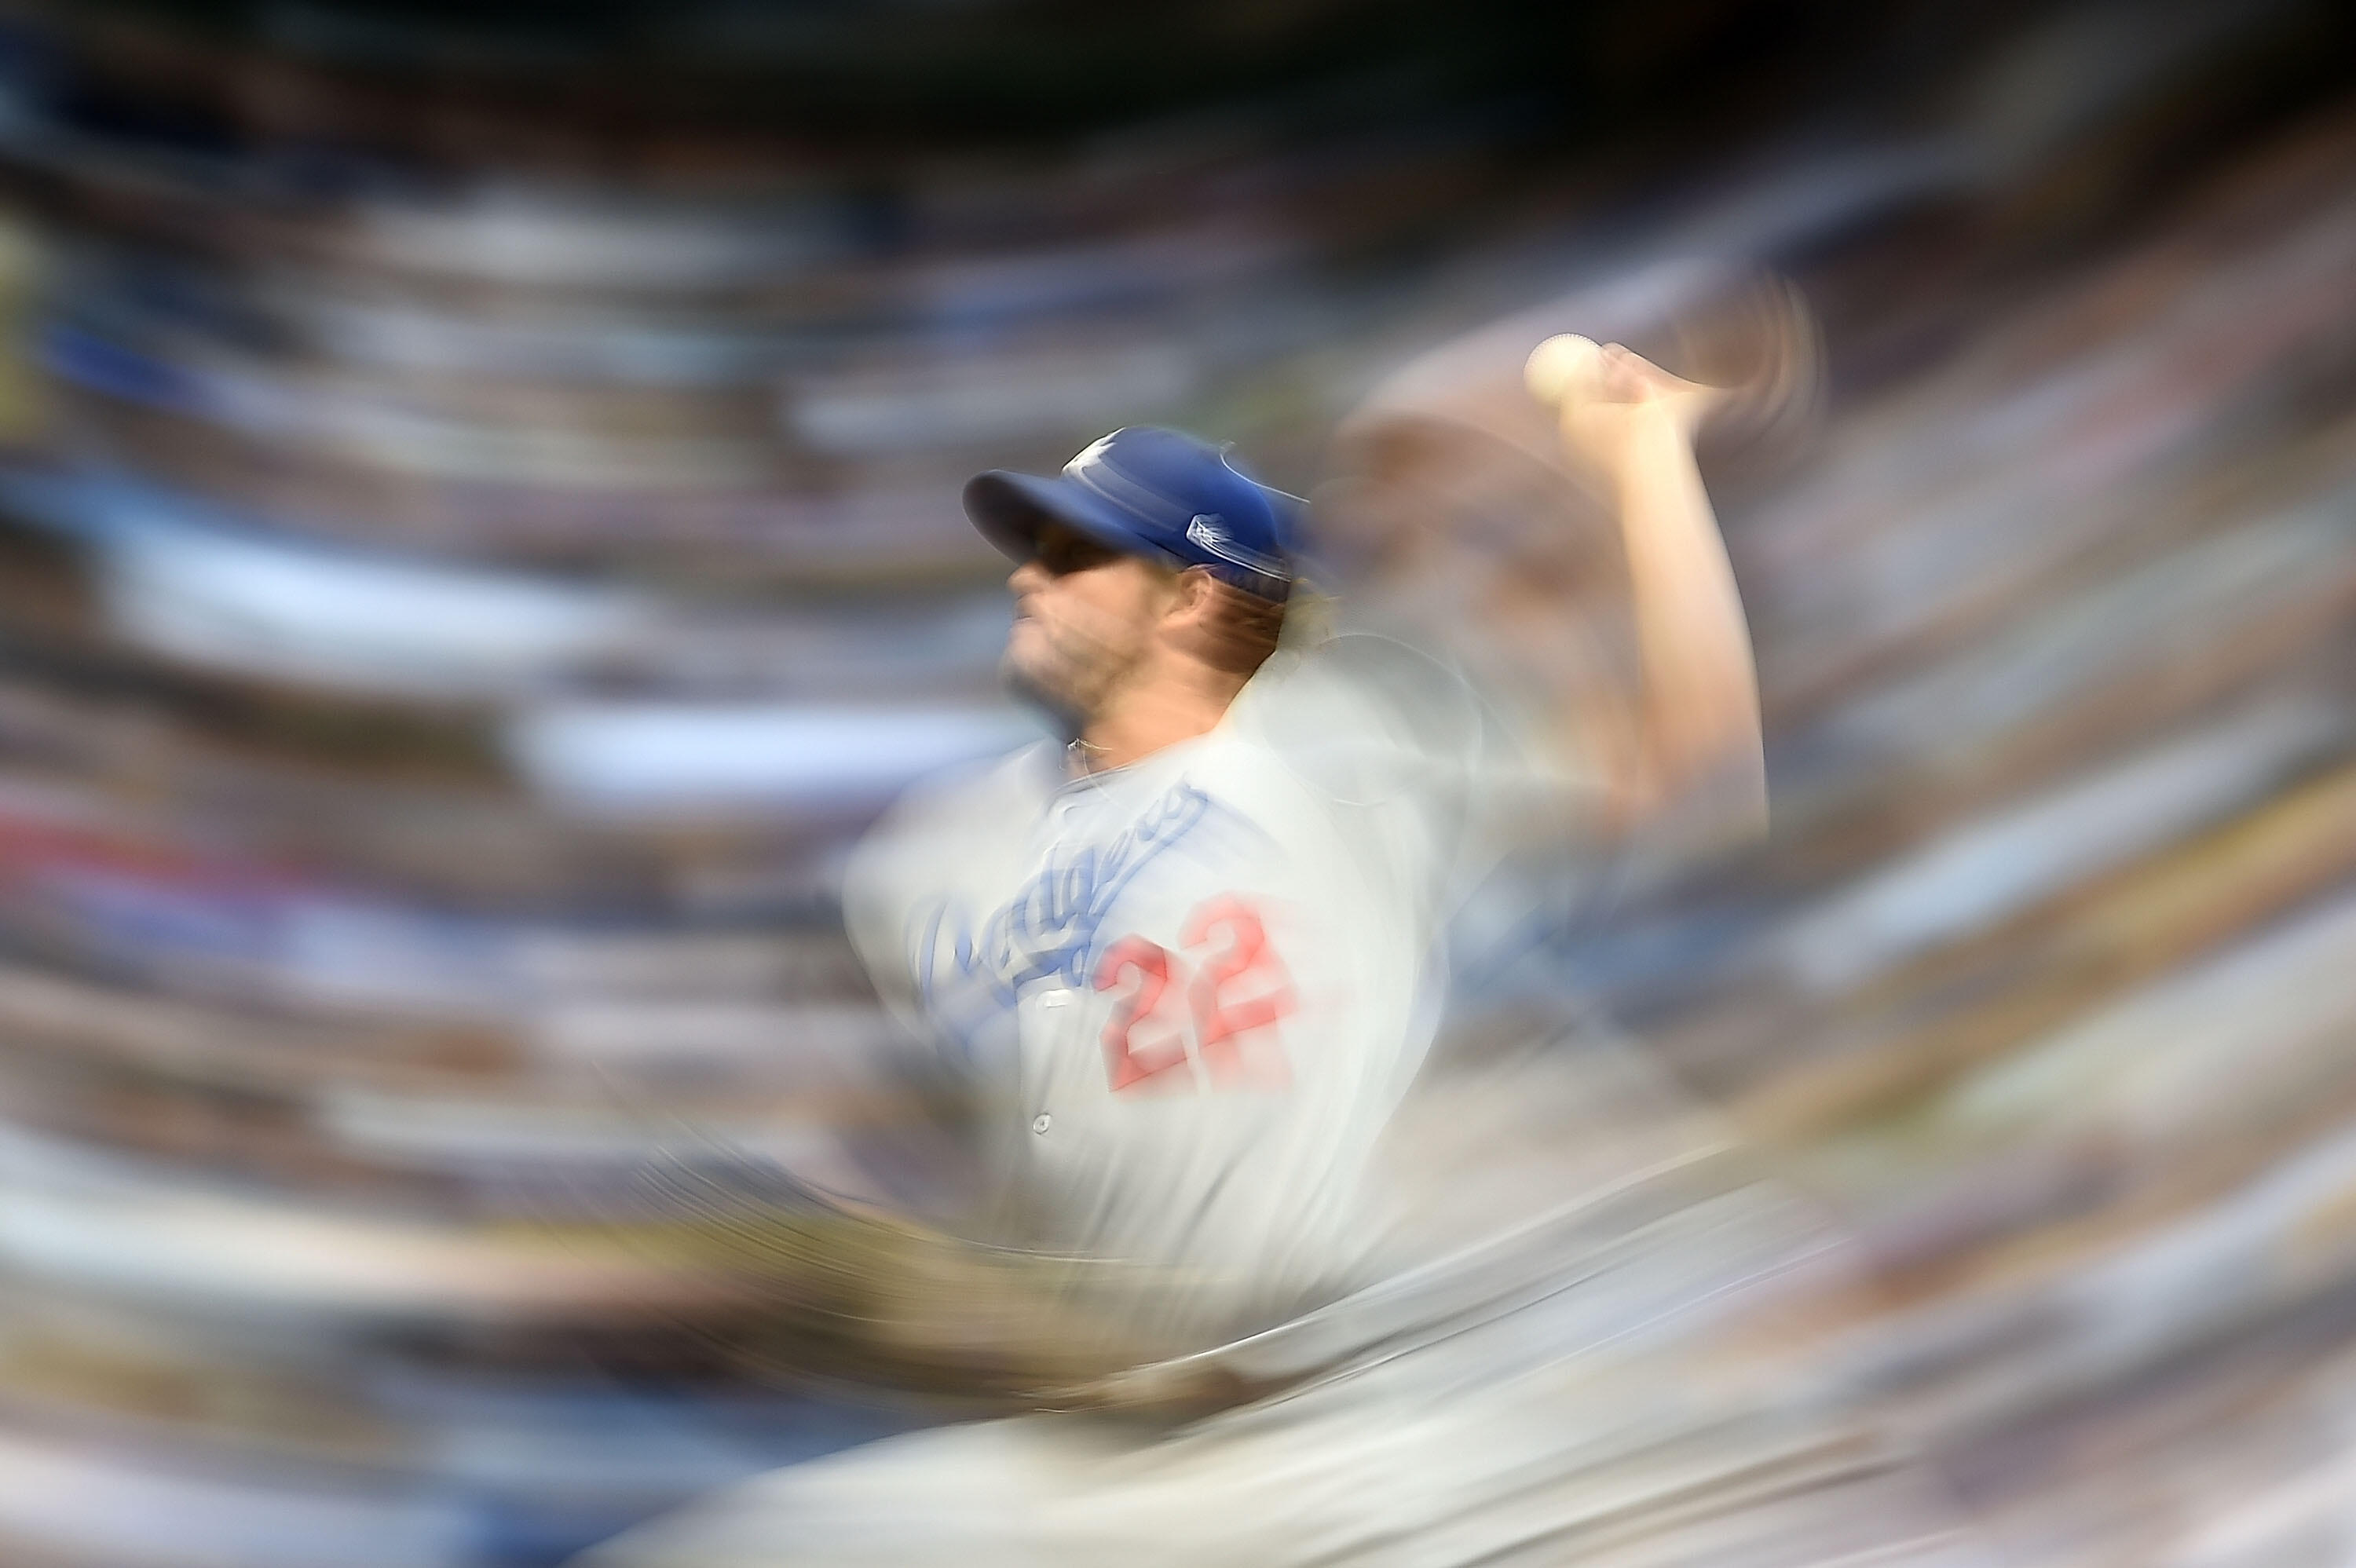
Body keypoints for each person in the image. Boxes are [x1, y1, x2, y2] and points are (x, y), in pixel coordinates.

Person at [583, 339, 1989, 1566]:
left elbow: (1686, 760)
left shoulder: (1347, 752)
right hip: (1092, 1461)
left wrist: (1643, 460)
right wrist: (821, 1232)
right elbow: (935, 1165)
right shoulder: (930, 852)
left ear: (1192, 596)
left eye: (1078, 553)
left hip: (1350, 1431)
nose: (1029, 577)